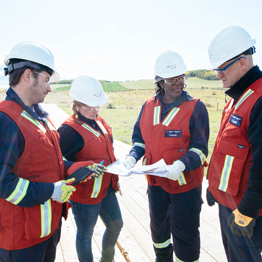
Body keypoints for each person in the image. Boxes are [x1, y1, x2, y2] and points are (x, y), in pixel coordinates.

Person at [0, 41, 104, 262]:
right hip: (20, 240)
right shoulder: (6, 120)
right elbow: (2, 182)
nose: (49, 88)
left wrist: (79, 167)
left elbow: (50, 162)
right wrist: (50, 191)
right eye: (47, 80)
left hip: (47, 230)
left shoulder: (40, 117)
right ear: (28, 75)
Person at [123, 50, 209, 262]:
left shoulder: (196, 108)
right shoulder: (148, 106)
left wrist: (181, 165)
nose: (179, 83)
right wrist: (132, 157)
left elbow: (200, 149)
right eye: (173, 79)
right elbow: (139, 140)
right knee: (158, 231)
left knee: (186, 234)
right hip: (156, 185)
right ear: (160, 81)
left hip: (185, 187)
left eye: (182, 77)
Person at [206, 26, 262, 262]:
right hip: (228, 202)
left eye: (221, 68)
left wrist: (247, 211)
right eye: (215, 68)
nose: (218, 74)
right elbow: (225, 150)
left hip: (247, 211)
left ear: (242, 62)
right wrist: (214, 187)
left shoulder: (258, 99)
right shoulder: (237, 97)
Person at [58, 75, 123, 262]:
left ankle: (107, 259)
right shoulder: (69, 130)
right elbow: (59, 163)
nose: (95, 110)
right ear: (77, 104)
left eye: (98, 106)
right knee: (85, 236)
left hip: (107, 188)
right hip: (85, 195)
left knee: (116, 224)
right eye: (89, 106)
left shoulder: (99, 120)